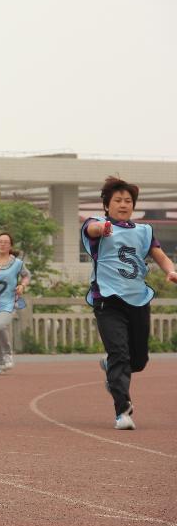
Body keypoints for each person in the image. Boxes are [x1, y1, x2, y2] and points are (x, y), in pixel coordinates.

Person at [82, 176, 177, 430]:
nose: (123, 204)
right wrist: (102, 229)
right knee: (119, 354)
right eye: (118, 200)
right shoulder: (96, 223)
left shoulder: (143, 231)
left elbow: (159, 255)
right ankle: (122, 411)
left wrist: (170, 271)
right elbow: (92, 229)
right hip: (108, 300)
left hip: (137, 299)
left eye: (128, 201)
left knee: (138, 361)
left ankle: (110, 367)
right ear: (107, 204)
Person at [0, 232, 31, 375]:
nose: (3, 244)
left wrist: (22, 286)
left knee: (0, 326)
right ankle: (0, 363)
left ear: (10, 245)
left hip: (9, 302)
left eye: (6, 242)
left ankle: (8, 354)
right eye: (0, 241)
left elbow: (26, 276)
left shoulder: (17, 263)